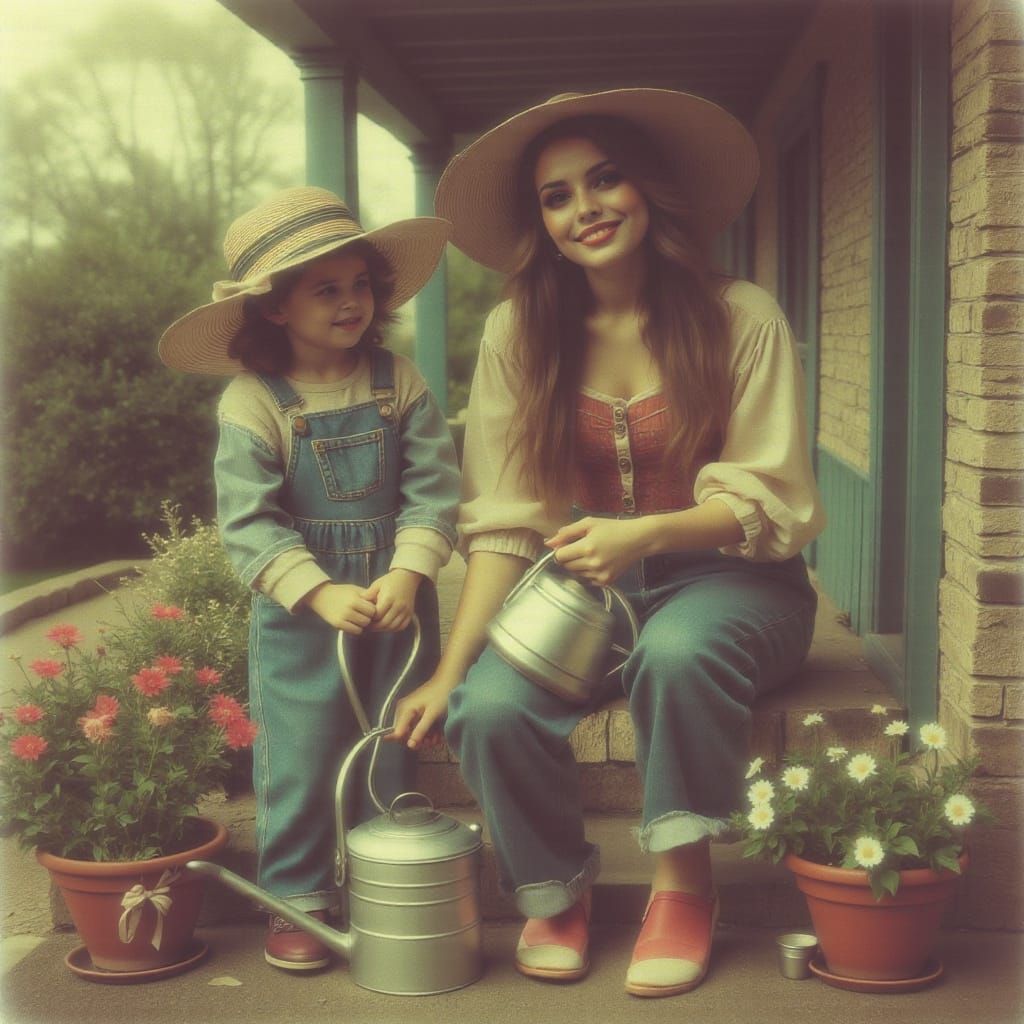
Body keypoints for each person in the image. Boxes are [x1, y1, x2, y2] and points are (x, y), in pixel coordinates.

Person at [390, 90, 825, 997]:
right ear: (542, 225)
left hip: (736, 578)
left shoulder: (741, 315)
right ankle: (553, 892)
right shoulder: (520, 332)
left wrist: (650, 532)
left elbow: (773, 495)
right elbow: (506, 521)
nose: (583, 207)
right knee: (489, 708)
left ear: (647, 189)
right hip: (583, 593)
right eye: (556, 196)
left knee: (674, 651)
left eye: (603, 179)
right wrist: (450, 667)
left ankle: (683, 886)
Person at [158, 187, 460, 971]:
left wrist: (408, 569)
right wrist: (317, 589)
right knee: (297, 754)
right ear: (276, 310)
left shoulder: (399, 382)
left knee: (386, 746)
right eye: (325, 289)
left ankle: (380, 880)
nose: (350, 302)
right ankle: (296, 897)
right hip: (301, 615)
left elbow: (433, 490)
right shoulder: (254, 401)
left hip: (396, 606)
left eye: (360, 284)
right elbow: (249, 524)